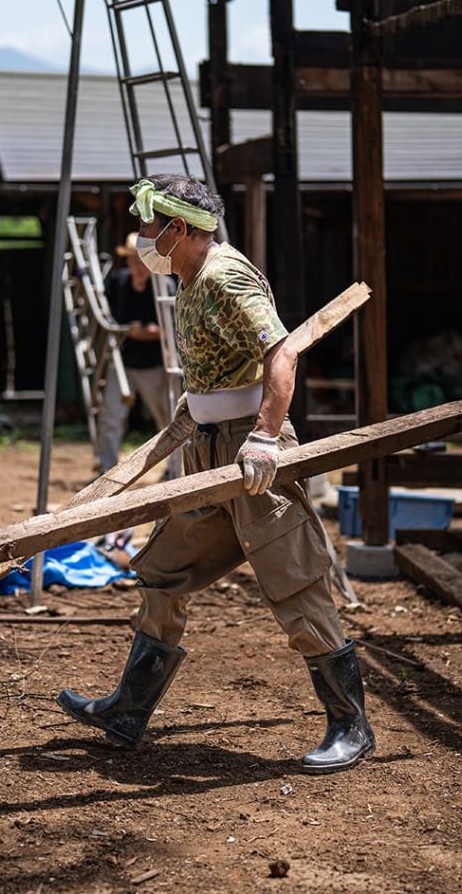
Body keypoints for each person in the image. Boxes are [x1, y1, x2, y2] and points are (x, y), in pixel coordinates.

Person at [57, 174, 374, 773]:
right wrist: (197, 405)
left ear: (178, 229)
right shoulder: (190, 277)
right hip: (205, 448)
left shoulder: (227, 275)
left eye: (152, 228)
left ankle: (350, 725)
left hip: (250, 456)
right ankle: (128, 710)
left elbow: (281, 353)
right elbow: (224, 362)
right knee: (163, 572)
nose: (145, 239)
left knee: (295, 583)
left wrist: (262, 436)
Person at [95, 233, 175, 474]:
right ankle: (105, 469)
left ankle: (175, 469)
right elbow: (107, 321)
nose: (137, 266)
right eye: (133, 261)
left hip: (154, 363)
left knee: (167, 419)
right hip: (122, 361)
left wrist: (154, 331)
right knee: (110, 416)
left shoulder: (164, 285)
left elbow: (174, 328)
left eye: (142, 261)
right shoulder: (118, 283)